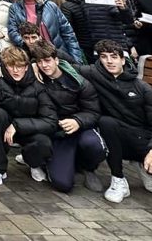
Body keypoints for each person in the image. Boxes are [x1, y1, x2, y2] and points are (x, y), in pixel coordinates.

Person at [80, 39, 152, 201]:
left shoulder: (142, 87)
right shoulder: (93, 74)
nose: (109, 61)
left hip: (144, 138)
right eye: (104, 57)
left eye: (114, 57)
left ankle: (143, 164)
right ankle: (118, 180)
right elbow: (64, 64)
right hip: (117, 136)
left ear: (123, 59)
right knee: (106, 122)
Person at [0, 46, 57, 187]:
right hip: (4, 125)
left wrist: (18, 125)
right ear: (5, 66)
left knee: (44, 143)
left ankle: (32, 162)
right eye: (11, 66)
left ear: (26, 66)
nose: (16, 70)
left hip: (29, 128)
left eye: (19, 66)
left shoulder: (38, 83)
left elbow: (50, 120)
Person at [30, 41, 106, 195]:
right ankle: (53, 162)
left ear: (56, 60)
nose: (44, 65)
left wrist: (78, 121)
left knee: (95, 145)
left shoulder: (79, 81)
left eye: (47, 60)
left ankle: (88, 168)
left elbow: (93, 112)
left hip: (80, 127)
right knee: (63, 184)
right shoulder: (36, 79)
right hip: (57, 132)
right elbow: (13, 66)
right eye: (40, 62)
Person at [6, 0, 84, 62]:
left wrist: (76, 57)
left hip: (57, 53)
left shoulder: (50, 5)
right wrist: (26, 43)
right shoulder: (14, 8)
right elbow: (12, 31)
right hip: (33, 56)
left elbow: (67, 32)